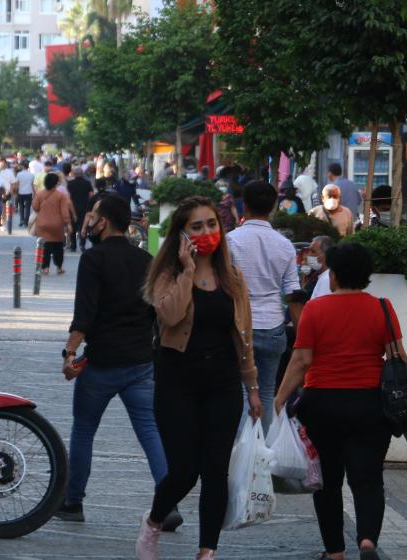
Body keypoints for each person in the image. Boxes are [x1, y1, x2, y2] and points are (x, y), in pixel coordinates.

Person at [138, 196, 261, 560]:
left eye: (212, 224)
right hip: (178, 383)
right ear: (181, 234)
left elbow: (245, 336)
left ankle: (207, 551)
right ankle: (153, 521)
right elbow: (172, 317)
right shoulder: (167, 276)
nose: (207, 232)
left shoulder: (233, 278)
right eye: (197, 226)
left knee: (215, 471)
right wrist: (188, 270)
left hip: (223, 384)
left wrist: (253, 387)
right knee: (184, 472)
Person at [57, 195, 181, 532]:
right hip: (141, 361)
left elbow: (84, 315)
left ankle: (73, 501)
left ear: (105, 222)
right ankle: (167, 504)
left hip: (101, 363)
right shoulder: (146, 259)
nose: (89, 221)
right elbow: (157, 312)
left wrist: (70, 353)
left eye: (93, 215)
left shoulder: (93, 260)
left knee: (83, 429)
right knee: (150, 431)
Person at [274, 243, 406, 560]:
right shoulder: (383, 308)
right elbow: (398, 357)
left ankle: (334, 552)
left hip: (322, 405)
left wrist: (279, 399)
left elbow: (301, 361)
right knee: (368, 479)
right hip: (371, 406)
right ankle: (367, 542)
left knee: (327, 482)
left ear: (332, 275)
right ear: (366, 276)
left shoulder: (316, 310)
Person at [226, 180, 301, 432]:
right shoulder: (285, 246)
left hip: (238, 327)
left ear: (243, 205)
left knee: (238, 392)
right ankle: (261, 458)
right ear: (274, 206)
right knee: (267, 390)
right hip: (273, 327)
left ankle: (237, 456)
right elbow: (292, 293)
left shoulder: (230, 241)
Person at [32, 173, 72, 275]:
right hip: (57, 225)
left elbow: (35, 207)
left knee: (45, 246)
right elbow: (64, 211)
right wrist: (68, 224)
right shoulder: (60, 196)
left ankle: (45, 268)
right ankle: (59, 267)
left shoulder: (40, 194)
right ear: (56, 183)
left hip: (42, 224)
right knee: (58, 246)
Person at [67, 165, 93, 252]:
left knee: (73, 227)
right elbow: (91, 195)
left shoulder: (70, 184)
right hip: (84, 207)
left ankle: (73, 245)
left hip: (72, 208)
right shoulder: (87, 183)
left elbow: (68, 197)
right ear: (82, 174)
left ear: (73, 174)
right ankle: (82, 244)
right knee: (83, 227)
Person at [305, 235, 337, 301]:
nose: (308, 255)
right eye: (309, 251)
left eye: (313, 252)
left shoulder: (327, 279)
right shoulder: (320, 276)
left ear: (325, 255)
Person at [16, 162, 35, 227]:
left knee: (21, 207)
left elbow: (17, 184)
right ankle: (26, 221)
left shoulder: (19, 174)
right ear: (28, 167)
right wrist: (34, 193)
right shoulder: (31, 175)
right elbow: (32, 185)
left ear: (22, 167)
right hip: (29, 192)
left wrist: (16, 192)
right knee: (27, 208)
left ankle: (21, 220)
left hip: (20, 192)